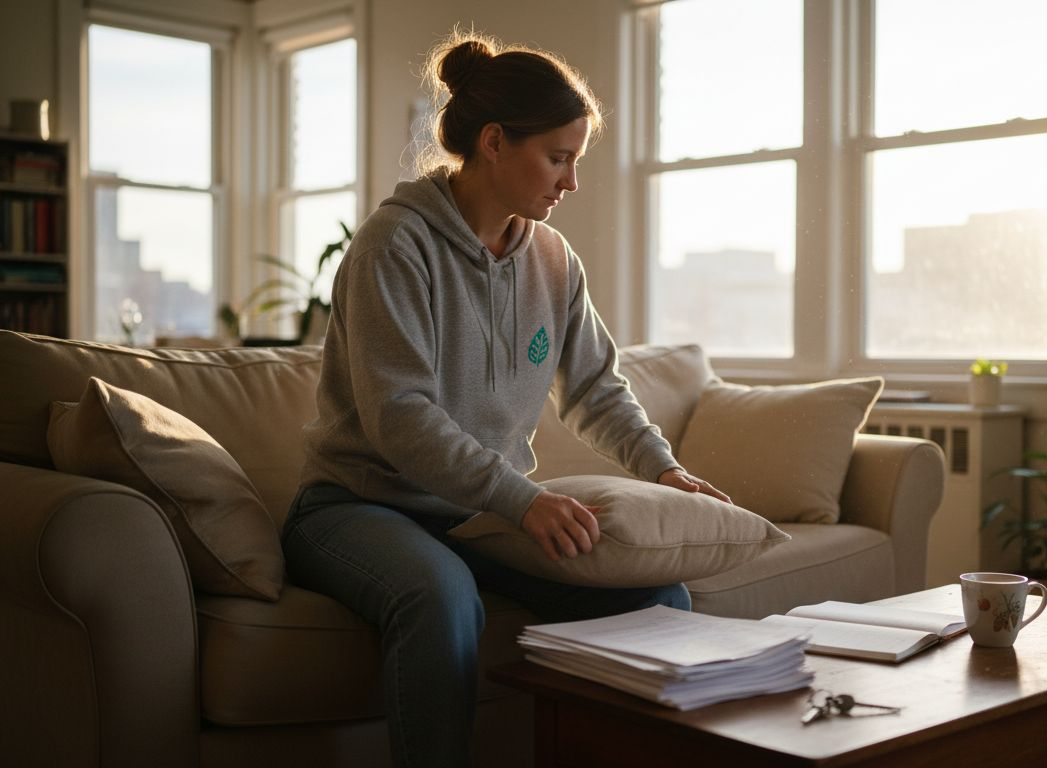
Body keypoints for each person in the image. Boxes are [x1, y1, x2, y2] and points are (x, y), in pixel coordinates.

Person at [281, 32, 728, 768]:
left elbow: (594, 387)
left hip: (476, 514)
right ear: (493, 142)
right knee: (440, 597)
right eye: (558, 157)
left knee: (657, 599)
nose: (571, 181)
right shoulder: (393, 246)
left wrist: (664, 470)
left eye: (575, 158)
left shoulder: (553, 261)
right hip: (355, 507)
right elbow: (400, 416)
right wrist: (521, 499)